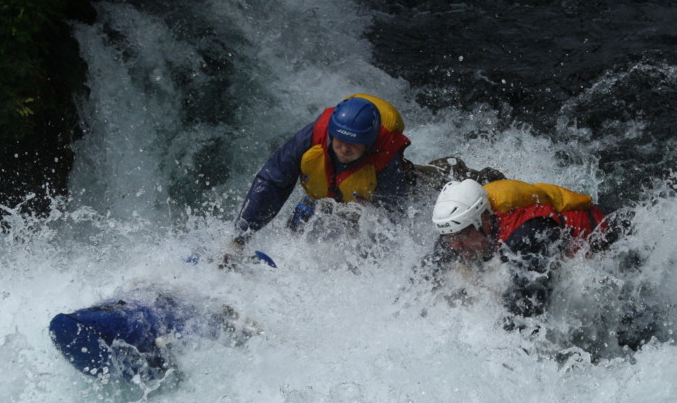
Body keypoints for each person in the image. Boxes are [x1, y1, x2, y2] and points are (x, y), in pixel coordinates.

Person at [227, 94, 413, 256]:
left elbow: (393, 217)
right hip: (321, 193)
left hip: (362, 201)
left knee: (362, 233)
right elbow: (271, 183)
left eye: (354, 144)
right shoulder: (310, 138)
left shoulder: (386, 158)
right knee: (298, 227)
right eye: (340, 140)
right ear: (332, 133)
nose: (344, 149)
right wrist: (238, 239)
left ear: (369, 143)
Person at [426, 177, 614, 326]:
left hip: (614, 240)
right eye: (449, 238)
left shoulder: (530, 234)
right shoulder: (459, 228)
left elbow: (528, 312)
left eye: (462, 236)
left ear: (484, 220)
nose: (455, 246)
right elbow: (425, 278)